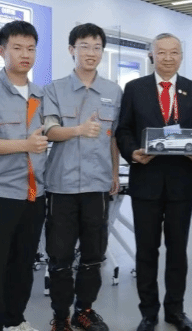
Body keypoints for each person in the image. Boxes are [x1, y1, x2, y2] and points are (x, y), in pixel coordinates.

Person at [115, 33, 192, 331]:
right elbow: (123, 130)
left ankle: (175, 311)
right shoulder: (135, 88)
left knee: (178, 251)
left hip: (182, 182)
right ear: (151, 55)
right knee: (146, 251)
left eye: (174, 52)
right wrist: (132, 152)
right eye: (162, 52)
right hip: (146, 180)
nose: (168, 58)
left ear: (181, 56)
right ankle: (149, 312)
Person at [0, 20, 47, 331]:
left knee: (24, 264)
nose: (25, 54)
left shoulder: (42, 94)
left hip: (34, 193)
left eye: (31, 49)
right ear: (2, 51)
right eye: (17, 48)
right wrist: (25, 144)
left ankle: (16, 320)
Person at [43, 23, 122, 331]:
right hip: (61, 185)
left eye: (97, 47)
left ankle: (84, 311)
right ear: (71, 50)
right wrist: (78, 129)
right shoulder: (54, 89)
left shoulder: (113, 91)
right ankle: (61, 315)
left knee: (93, 255)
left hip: (97, 185)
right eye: (84, 46)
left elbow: (114, 137)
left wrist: (114, 172)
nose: (91, 53)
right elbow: (50, 130)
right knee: (60, 256)